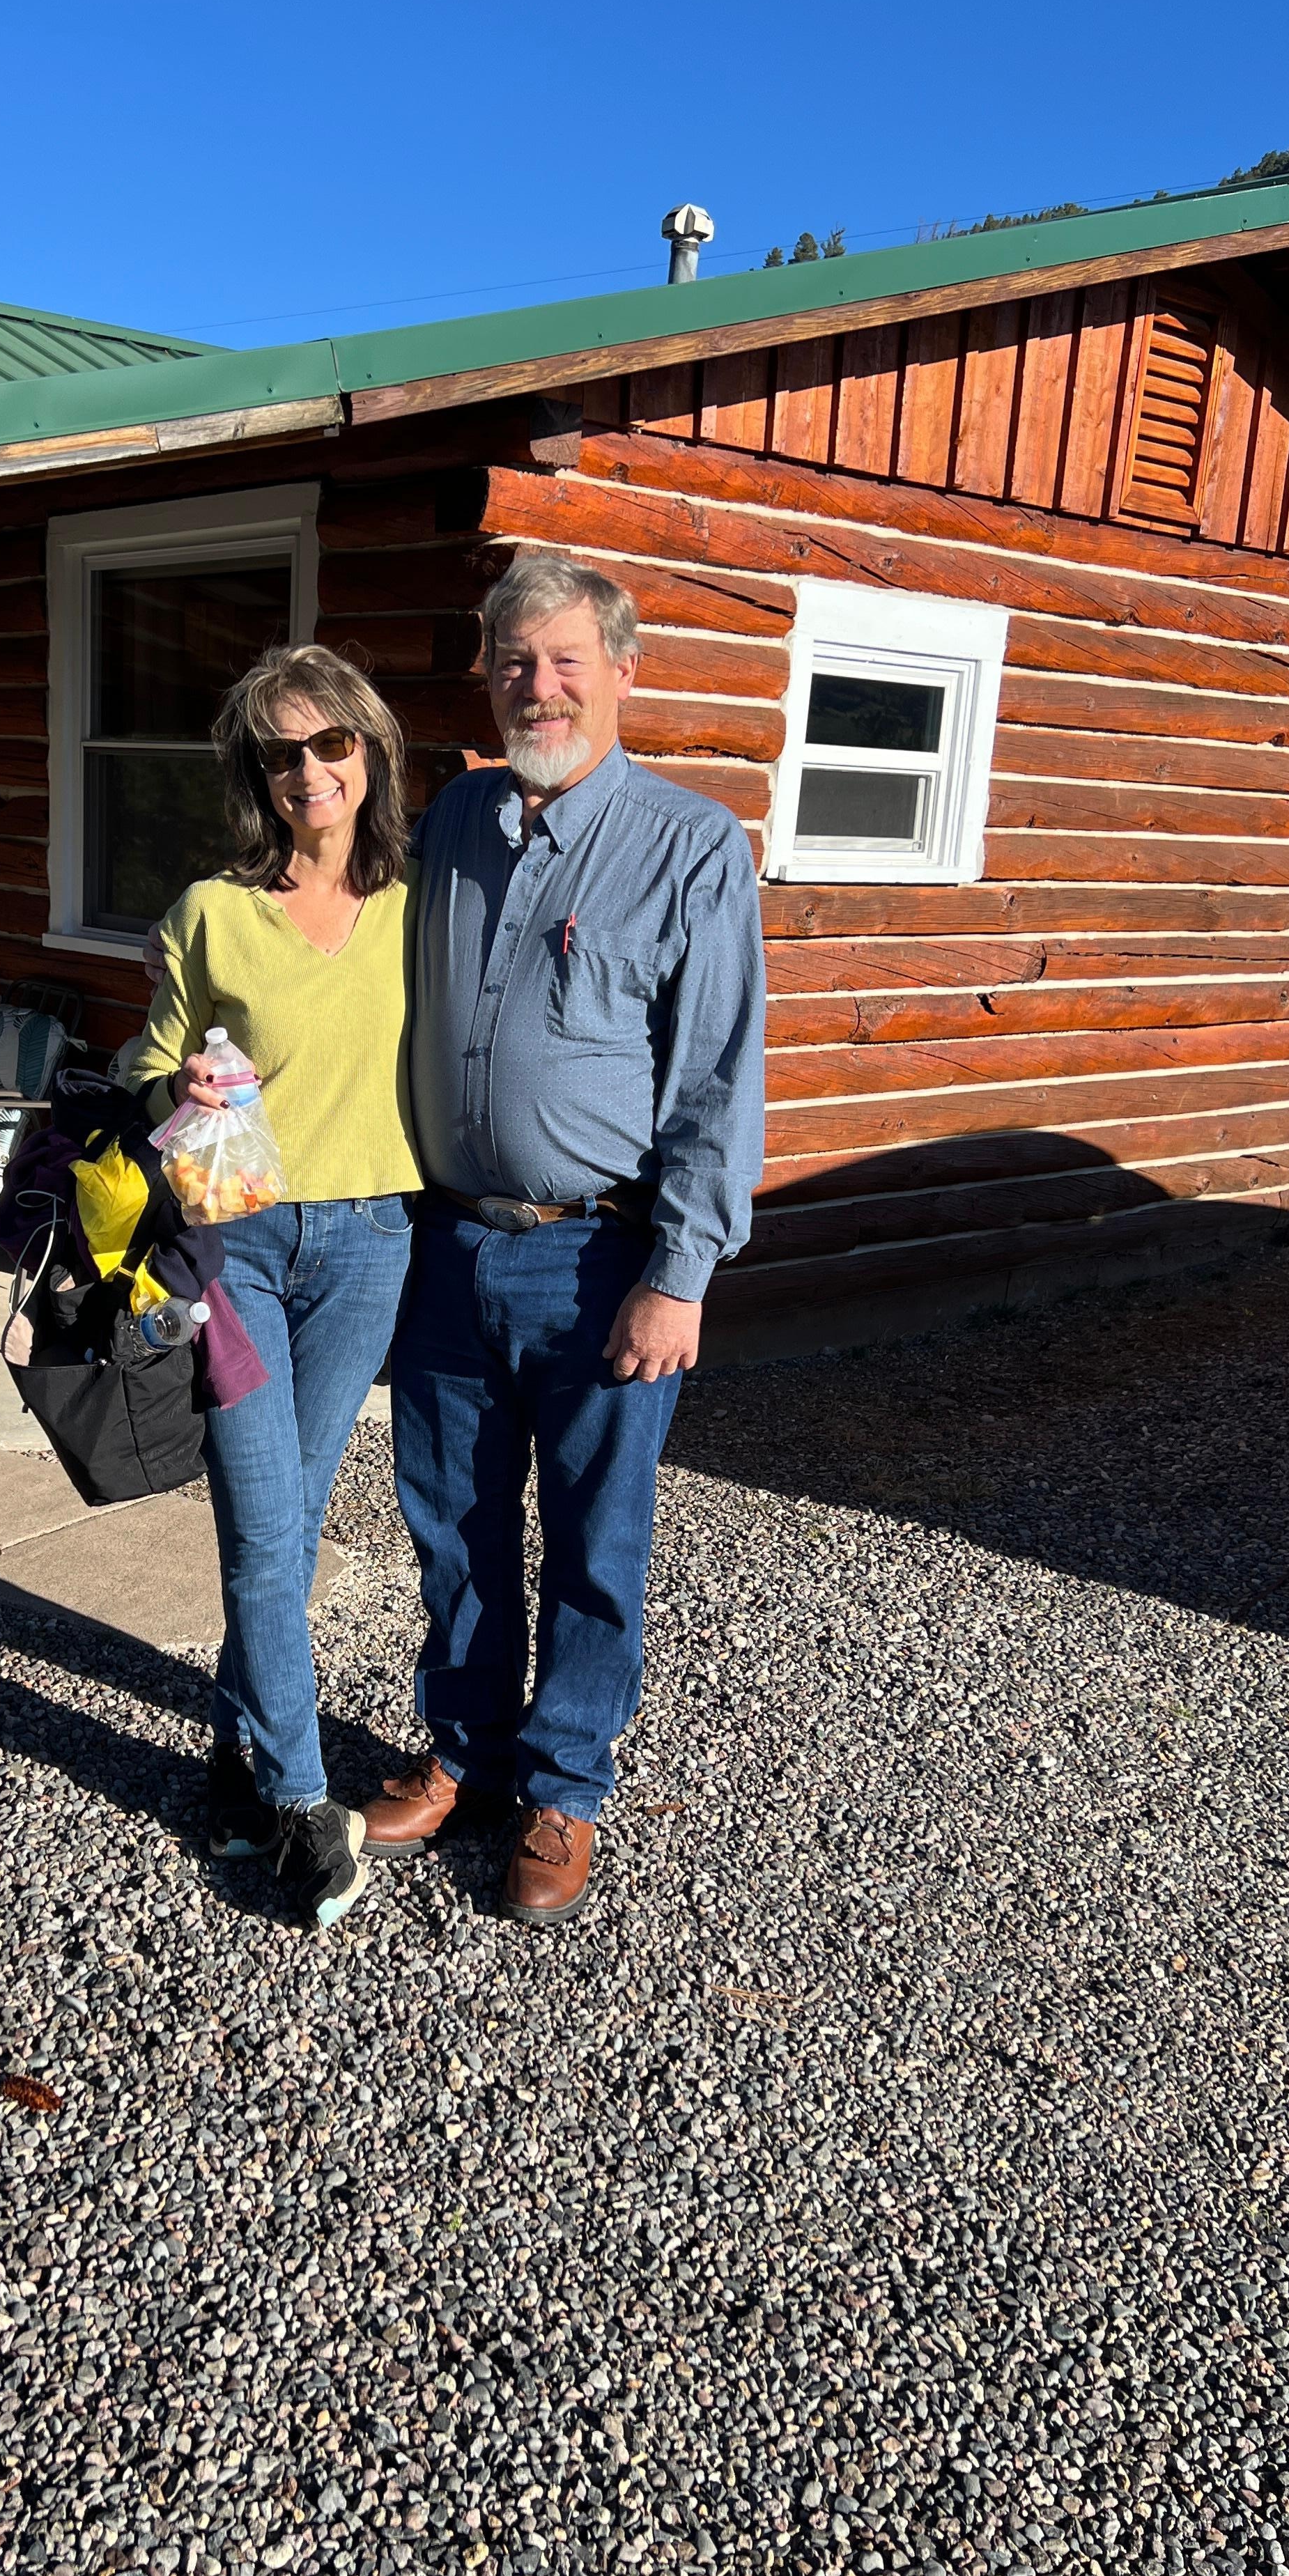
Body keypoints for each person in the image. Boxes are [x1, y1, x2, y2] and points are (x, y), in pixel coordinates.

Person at [361, 550, 767, 1925]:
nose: (539, 685)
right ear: (487, 679)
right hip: (445, 1249)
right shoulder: (453, 821)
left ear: (622, 673)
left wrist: (680, 1272)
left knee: (597, 1538)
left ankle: (564, 1789)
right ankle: (465, 1754)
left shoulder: (691, 845)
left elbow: (719, 1074)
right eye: (514, 662)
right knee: (454, 1528)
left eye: (565, 661)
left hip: (598, 1256)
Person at [130, 644, 420, 1931]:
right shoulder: (215, 908)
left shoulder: (426, 901)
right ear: (257, 773)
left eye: (332, 744)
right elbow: (147, 1061)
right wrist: (172, 1090)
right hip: (236, 1243)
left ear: (371, 751)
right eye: (282, 753)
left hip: (370, 1246)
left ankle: (231, 1759)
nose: (311, 771)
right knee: (262, 1525)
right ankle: (305, 1799)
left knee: (293, 1524)